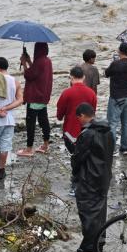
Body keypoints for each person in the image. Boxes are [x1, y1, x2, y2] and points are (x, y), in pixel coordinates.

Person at [70, 103, 115, 252]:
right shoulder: (108, 131)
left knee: (88, 216)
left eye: (78, 118)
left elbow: (78, 158)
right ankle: (97, 247)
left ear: (82, 115)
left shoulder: (87, 134)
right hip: (103, 178)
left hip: (89, 180)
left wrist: (74, 164)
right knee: (99, 215)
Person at [56, 67, 98, 196]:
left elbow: (59, 114)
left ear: (71, 77)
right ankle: (87, 182)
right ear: (84, 77)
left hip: (70, 132)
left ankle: (75, 186)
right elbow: (93, 112)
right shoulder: (91, 93)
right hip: (88, 132)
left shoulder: (66, 93)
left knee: (75, 158)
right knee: (86, 157)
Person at [105, 43, 127, 155]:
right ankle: (125, 147)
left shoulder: (115, 64)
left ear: (120, 51)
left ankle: (110, 148)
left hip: (117, 97)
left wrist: (113, 63)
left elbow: (106, 73)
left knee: (113, 123)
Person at [18, 43, 53, 157]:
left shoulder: (39, 62)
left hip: (34, 97)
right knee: (44, 121)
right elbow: (37, 72)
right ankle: (46, 145)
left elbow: (29, 75)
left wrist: (23, 63)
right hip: (43, 97)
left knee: (31, 123)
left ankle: (29, 149)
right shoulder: (47, 61)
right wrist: (28, 61)